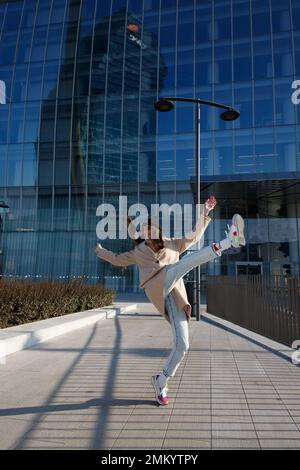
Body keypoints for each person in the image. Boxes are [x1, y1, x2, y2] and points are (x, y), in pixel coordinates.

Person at [95, 196, 246, 406]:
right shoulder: (138, 252)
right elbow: (117, 259)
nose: (148, 232)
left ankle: (161, 380)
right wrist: (100, 251)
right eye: (145, 230)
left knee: (183, 345)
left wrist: (204, 214)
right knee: (181, 266)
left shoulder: (172, 243)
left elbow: (193, 237)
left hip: (174, 296)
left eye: (151, 229)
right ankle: (229, 241)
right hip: (157, 287)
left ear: (157, 230)